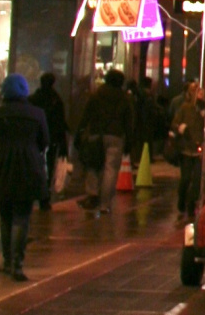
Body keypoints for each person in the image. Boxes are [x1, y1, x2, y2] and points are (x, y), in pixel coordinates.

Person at [0, 75, 48, 280]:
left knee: (5, 215)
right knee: (22, 216)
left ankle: (7, 260)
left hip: (2, 166)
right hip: (29, 165)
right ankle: (18, 264)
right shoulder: (37, 114)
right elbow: (44, 141)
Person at [77, 70, 134, 216]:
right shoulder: (124, 98)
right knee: (111, 169)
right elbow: (129, 122)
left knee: (93, 165)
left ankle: (92, 194)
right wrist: (129, 141)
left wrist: (80, 133)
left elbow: (86, 115)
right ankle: (104, 204)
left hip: (96, 134)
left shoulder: (96, 95)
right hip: (116, 136)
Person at [166, 82, 205, 221]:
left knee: (196, 179)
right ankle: (182, 201)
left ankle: (191, 204)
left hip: (200, 149)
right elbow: (175, 123)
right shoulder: (185, 108)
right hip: (186, 149)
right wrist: (181, 128)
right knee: (186, 178)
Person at [31, 73, 69, 210]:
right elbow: (60, 123)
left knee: (34, 166)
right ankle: (44, 197)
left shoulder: (33, 99)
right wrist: (63, 144)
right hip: (51, 138)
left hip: (34, 139)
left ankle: (35, 193)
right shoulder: (56, 100)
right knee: (49, 167)